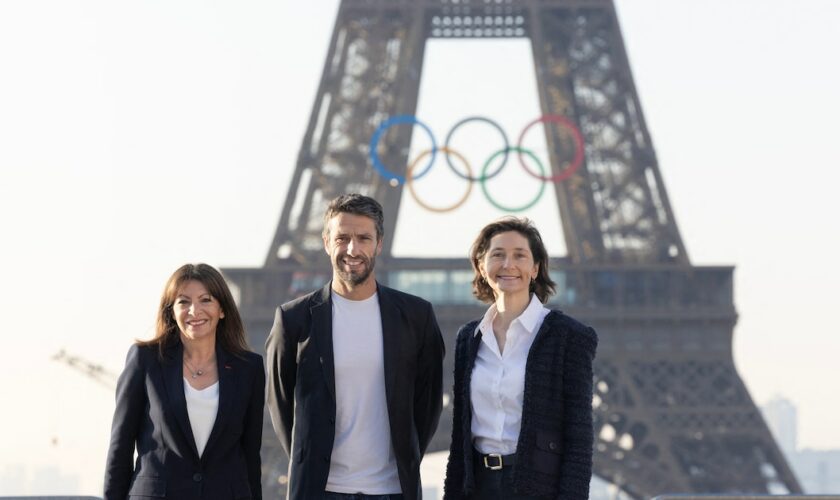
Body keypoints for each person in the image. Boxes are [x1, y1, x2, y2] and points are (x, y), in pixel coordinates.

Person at [266, 193, 445, 500]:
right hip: (320, 491)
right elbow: (281, 406)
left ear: (379, 244)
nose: (353, 249)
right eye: (342, 238)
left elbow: (426, 407)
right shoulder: (293, 319)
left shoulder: (417, 316)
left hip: (391, 491)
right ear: (326, 242)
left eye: (363, 238)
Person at [443, 217, 598, 500]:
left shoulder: (569, 337)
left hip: (538, 489)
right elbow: (460, 438)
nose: (508, 265)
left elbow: (579, 437)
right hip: (478, 488)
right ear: (481, 266)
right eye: (497, 255)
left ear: (535, 268)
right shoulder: (469, 339)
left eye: (519, 255)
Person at [104, 263, 265, 500]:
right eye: (184, 302)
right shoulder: (145, 360)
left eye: (206, 300)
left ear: (222, 309)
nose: (194, 310)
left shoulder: (248, 368)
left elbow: (250, 455)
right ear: (171, 311)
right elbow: (120, 449)